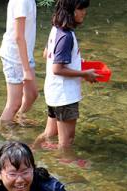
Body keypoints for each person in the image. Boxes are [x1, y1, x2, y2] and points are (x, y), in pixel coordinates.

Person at [33, 0, 98, 151]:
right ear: (71, 11)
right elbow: (57, 68)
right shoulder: (66, 36)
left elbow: (46, 54)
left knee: (50, 133)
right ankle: (65, 162)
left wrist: (75, 62)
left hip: (54, 91)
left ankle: (32, 151)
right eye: (81, 9)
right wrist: (85, 74)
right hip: (65, 96)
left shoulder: (56, 29)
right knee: (67, 141)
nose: (84, 12)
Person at [0, 0, 39, 132]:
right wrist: (26, 70)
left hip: (25, 55)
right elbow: (18, 37)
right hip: (14, 57)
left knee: (32, 94)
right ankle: (2, 131)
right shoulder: (22, 1)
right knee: (14, 104)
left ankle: (18, 118)